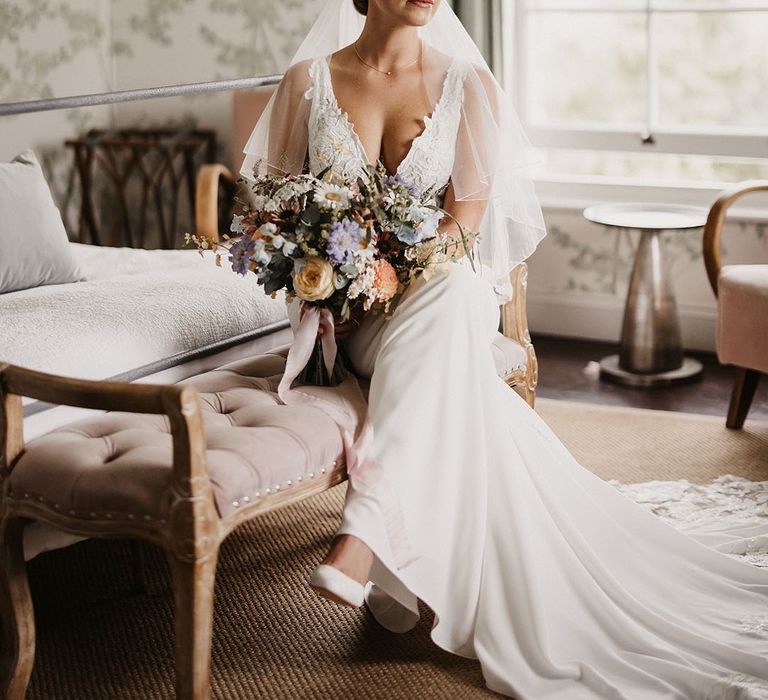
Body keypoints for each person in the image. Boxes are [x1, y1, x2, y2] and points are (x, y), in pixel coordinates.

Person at [241, 1, 768, 697]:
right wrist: (330, 269)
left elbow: (463, 231)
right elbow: (270, 217)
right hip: (350, 325)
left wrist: (398, 263)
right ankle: (370, 533)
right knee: (451, 303)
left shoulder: (470, 87)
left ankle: (367, 529)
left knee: (459, 290)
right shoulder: (308, 81)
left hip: (433, 301)